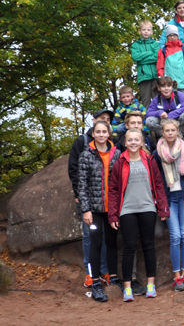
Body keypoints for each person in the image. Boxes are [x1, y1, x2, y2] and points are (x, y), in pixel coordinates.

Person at [108, 129, 169, 301]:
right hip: (127, 210)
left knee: (149, 246)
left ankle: (151, 285)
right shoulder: (120, 162)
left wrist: (163, 207)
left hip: (147, 208)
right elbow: (113, 190)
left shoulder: (149, 161)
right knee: (129, 248)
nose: (133, 142)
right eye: (130, 140)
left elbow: (158, 184)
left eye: (136, 140)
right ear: (125, 143)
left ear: (141, 142)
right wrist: (113, 215)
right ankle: (127, 288)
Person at [68, 108, 114, 288]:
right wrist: (79, 195)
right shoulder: (82, 143)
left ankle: (104, 270)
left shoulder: (114, 148)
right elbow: (75, 171)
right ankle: (90, 273)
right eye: (101, 120)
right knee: (90, 237)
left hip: (108, 203)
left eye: (107, 120)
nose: (104, 123)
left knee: (105, 238)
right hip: (89, 202)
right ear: (94, 122)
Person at [153, 119, 184, 291]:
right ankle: (176, 276)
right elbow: (156, 181)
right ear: (162, 133)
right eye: (167, 130)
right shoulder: (157, 153)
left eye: (173, 130)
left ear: (178, 131)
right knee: (175, 235)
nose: (170, 133)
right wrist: (161, 204)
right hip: (169, 198)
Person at [77, 120, 122, 302]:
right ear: (93, 134)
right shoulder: (86, 155)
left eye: (105, 131)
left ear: (109, 134)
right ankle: (95, 281)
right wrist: (85, 210)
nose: (102, 134)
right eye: (98, 132)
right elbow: (81, 184)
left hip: (111, 209)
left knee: (111, 243)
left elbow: (120, 183)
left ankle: (112, 276)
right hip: (94, 210)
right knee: (95, 244)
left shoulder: (117, 154)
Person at [145, 76, 184, 140]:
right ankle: (164, 136)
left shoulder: (179, 95)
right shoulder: (156, 99)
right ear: (159, 88)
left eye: (168, 86)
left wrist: (169, 115)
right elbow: (148, 114)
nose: (166, 89)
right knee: (149, 121)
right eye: (163, 86)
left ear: (172, 86)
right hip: (163, 123)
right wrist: (159, 113)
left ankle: (179, 135)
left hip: (177, 121)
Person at [130, 19, 159, 110]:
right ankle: (146, 120)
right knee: (145, 100)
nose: (146, 32)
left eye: (148, 30)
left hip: (155, 76)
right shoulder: (135, 45)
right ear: (139, 31)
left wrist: (142, 59)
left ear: (151, 31)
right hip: (143, 77)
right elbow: (135, 57)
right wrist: (149, 53)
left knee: (157, 99)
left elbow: (157, 57)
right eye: (144, 30)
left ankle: (158, 118)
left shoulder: (155, 44)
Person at [158, 25, 184, 91]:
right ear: (167, 37)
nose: (172, 37)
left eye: (174, 35)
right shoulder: (163, 50)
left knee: (183, 100)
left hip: (183, 82)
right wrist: (162, 81)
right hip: (168, 84)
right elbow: (160, 67)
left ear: (178, 36)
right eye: (170, 35)